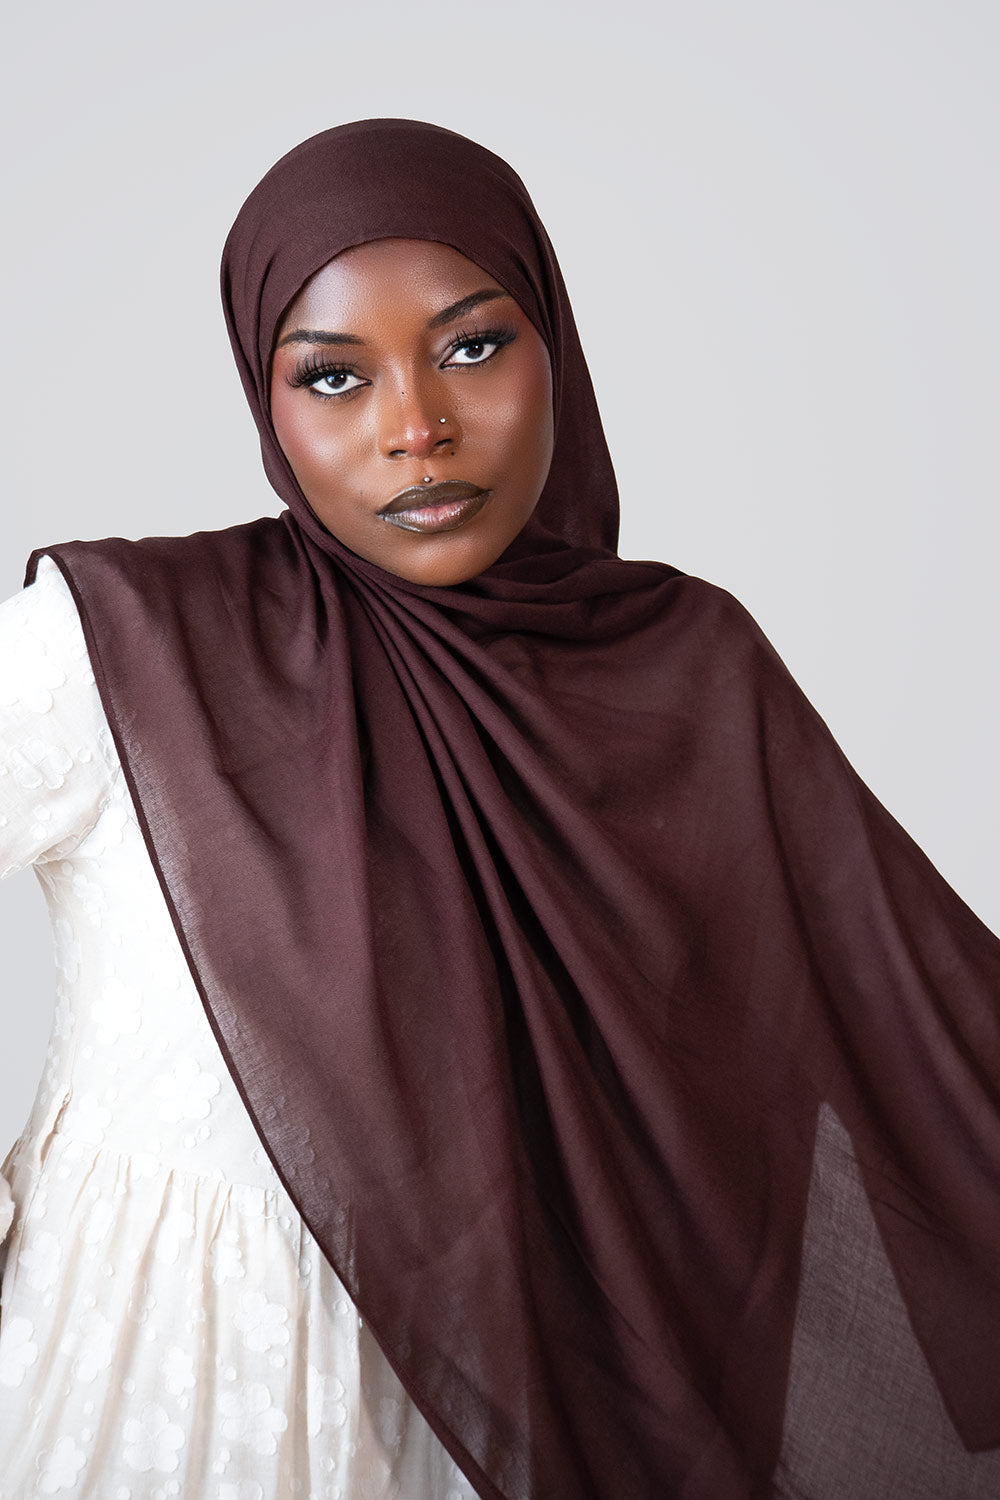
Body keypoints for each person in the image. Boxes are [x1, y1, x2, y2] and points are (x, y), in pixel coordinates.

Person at [1, 118, 999, 1500]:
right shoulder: (126, 651)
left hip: (541, 1415)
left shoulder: (681, 672)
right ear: (265, 397)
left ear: (557, 353)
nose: (416, 427)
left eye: (472, 346)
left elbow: (920, 1044)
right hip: (171, 1400)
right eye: (334, 377)